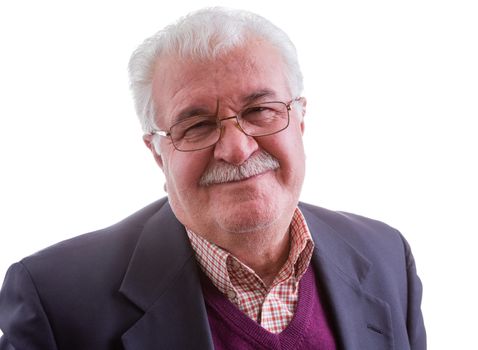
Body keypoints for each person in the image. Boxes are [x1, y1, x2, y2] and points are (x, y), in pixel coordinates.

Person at [0, 7, 426, 350]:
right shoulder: (55, 301)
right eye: (197, 125)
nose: (237, 148)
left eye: (260, 111)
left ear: (299, 121)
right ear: (157, 153)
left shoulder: (387, 257)